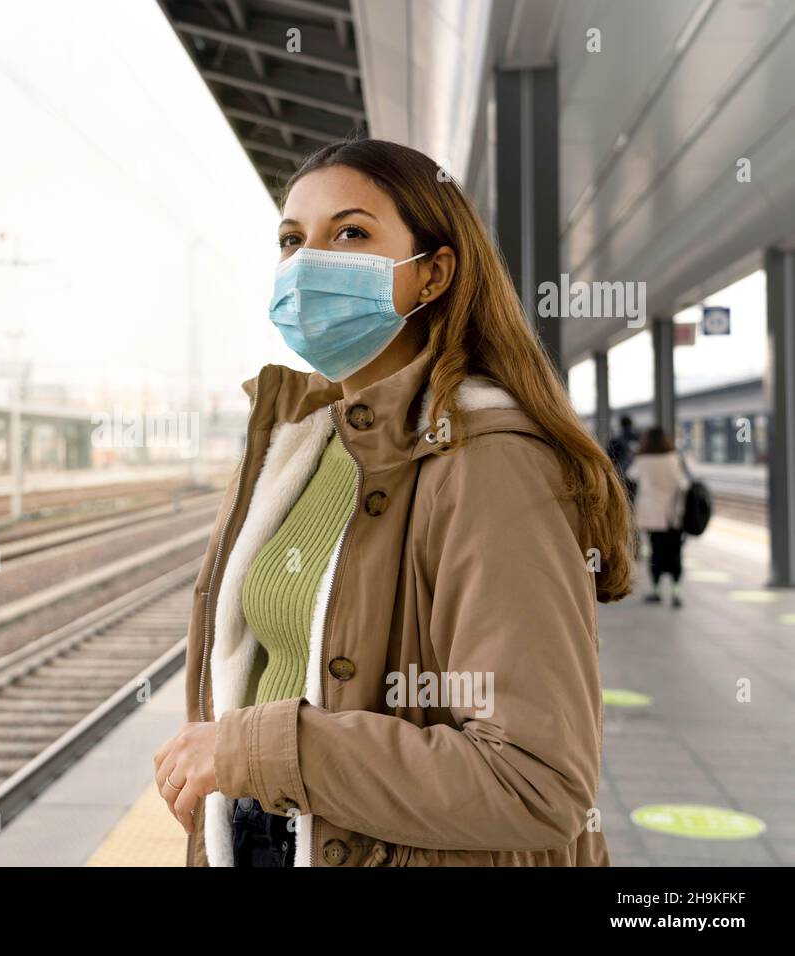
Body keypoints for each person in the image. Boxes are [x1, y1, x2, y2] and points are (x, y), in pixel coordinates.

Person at [153, 138, 635, 867]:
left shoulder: (487, 461)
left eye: (349, 232)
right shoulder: (301, 442)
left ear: (433, 274)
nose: (308, 262)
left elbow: (536, 783)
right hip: (276, 835)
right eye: (292, 239)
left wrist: (251, 748)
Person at [626, 426, 691, 608]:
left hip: (652, 515)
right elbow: (683, 484)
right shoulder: (673, 458)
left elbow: (631, 476)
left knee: (656, 552)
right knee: (675, 552)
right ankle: (676, 591)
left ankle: (655, 591)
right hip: (673, 515)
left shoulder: (642, 459)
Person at [606, 414, 639, 492]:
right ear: (631, 424)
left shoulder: (616, 439)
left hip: (622, 473)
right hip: (637, 473)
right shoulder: (639, 438)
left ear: (621, 424)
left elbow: (609, 456)